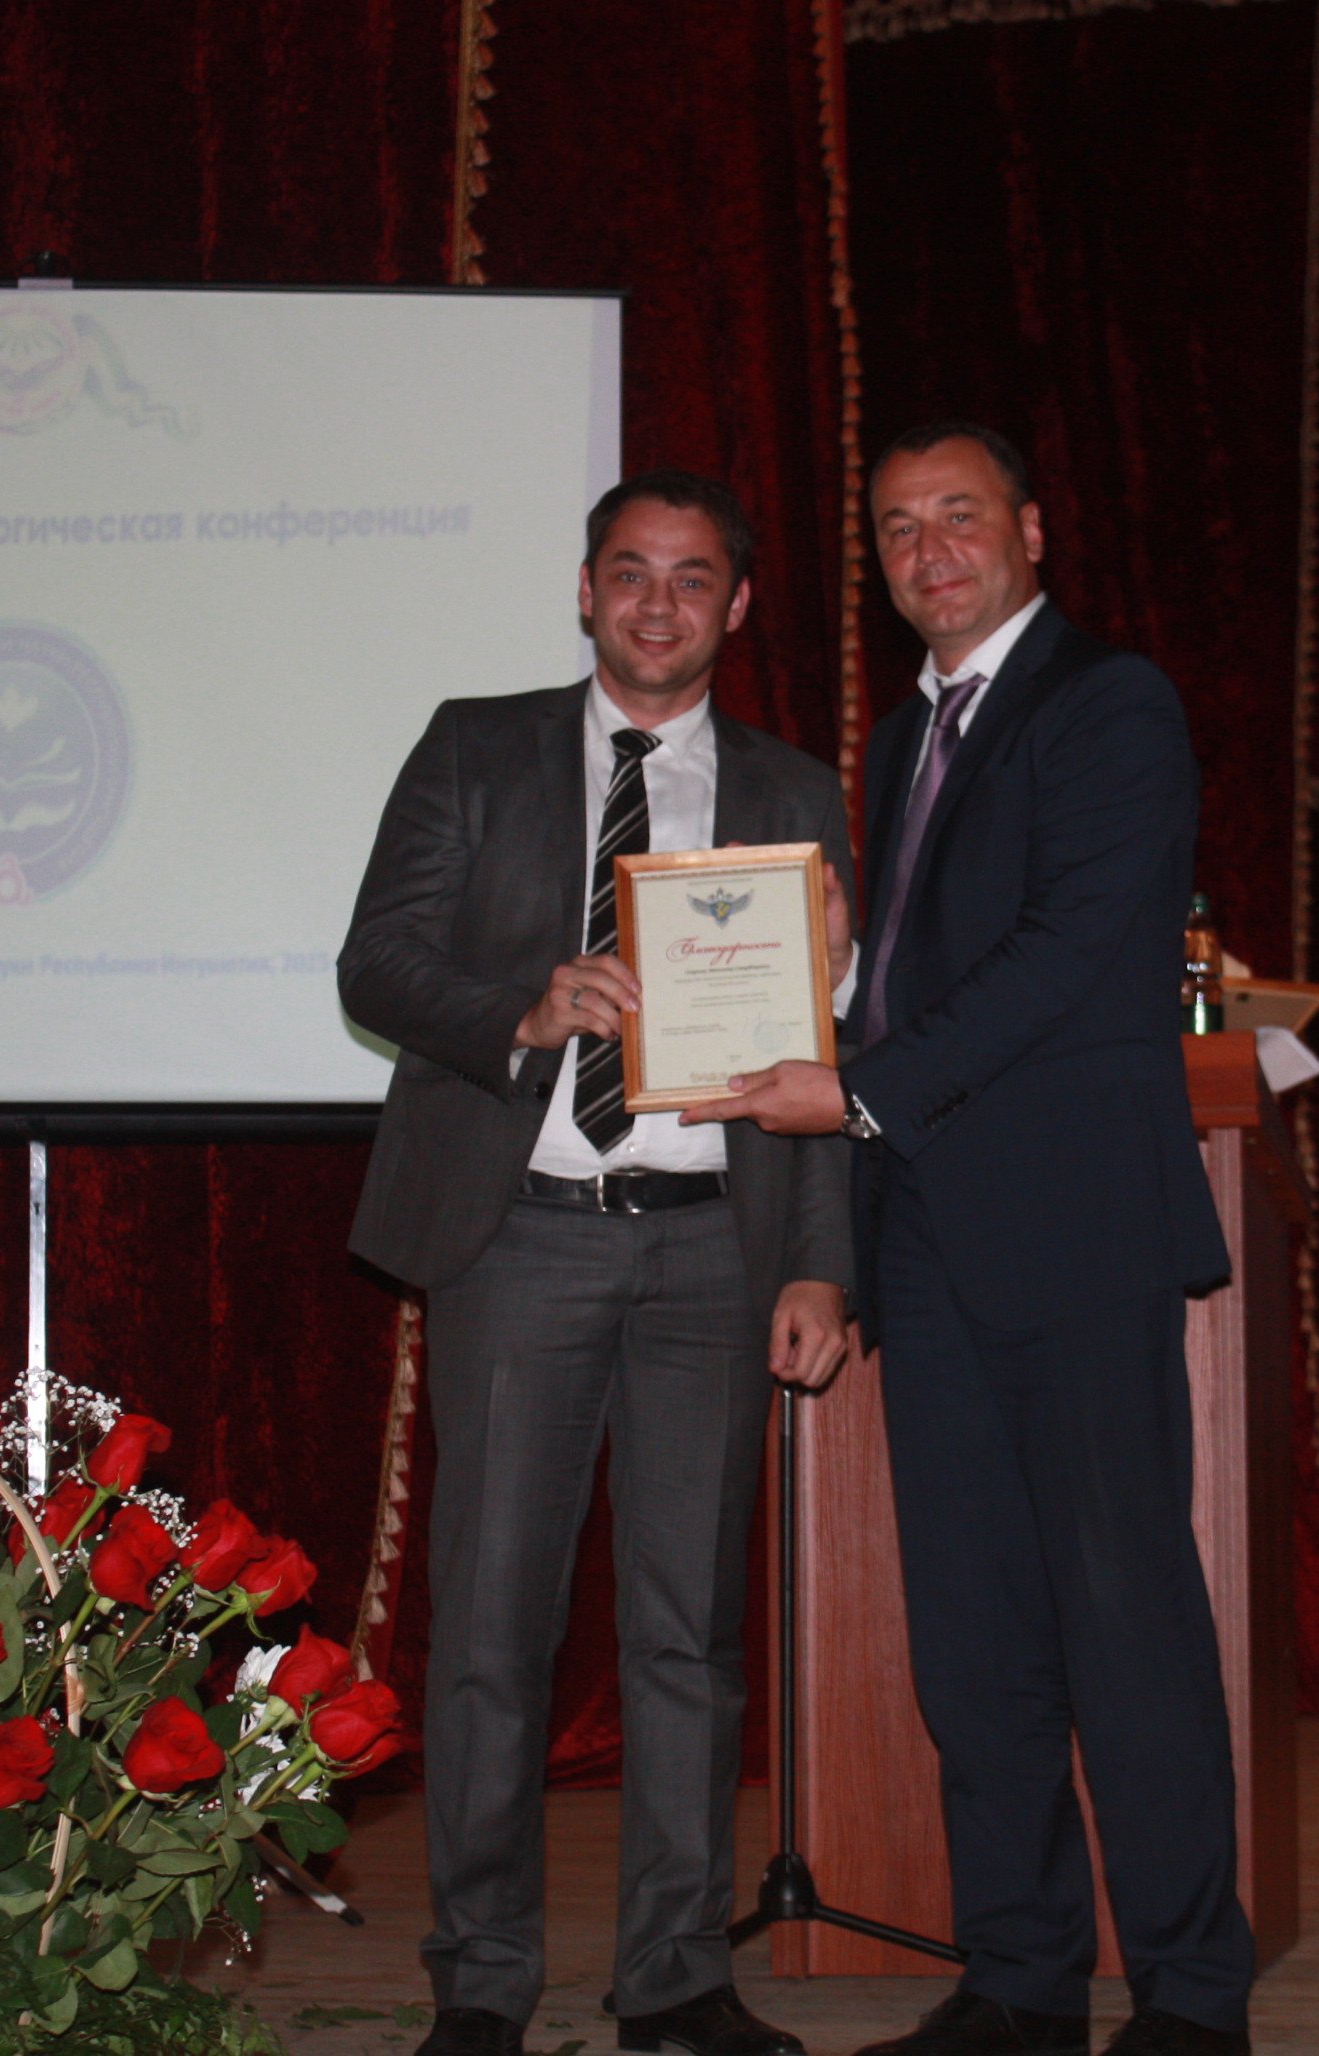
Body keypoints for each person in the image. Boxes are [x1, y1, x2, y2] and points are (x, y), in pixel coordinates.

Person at [689, 424, 1257, 2056]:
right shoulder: (903, 739)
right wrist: (828, 985)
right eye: (896, 528)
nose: (928, 551)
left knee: (1125, 1627)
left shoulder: (1109, 703)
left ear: (1030, 528)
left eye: (958, 516)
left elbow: (1076, 950)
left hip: (1073, 1235)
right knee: (975, 1643)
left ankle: (1191, 2000)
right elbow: (923, 980)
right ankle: (1019, 1982)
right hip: (931, 1240)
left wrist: (858, 1088)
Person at [339, 470, 853, 2056]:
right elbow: (377, 963)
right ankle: (482, 1985)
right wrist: (522, 1006)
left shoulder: (795, 791)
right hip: (524, 1240)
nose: (657, 604)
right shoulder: (475, 746)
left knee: (690, 1639)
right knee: (492, 1634)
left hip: (715, 1251)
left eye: (692, 578)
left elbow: (831, 1050)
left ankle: (676, 1978)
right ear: (584, 590)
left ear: (736, 606)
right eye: (630, 573)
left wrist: (819, 1265)